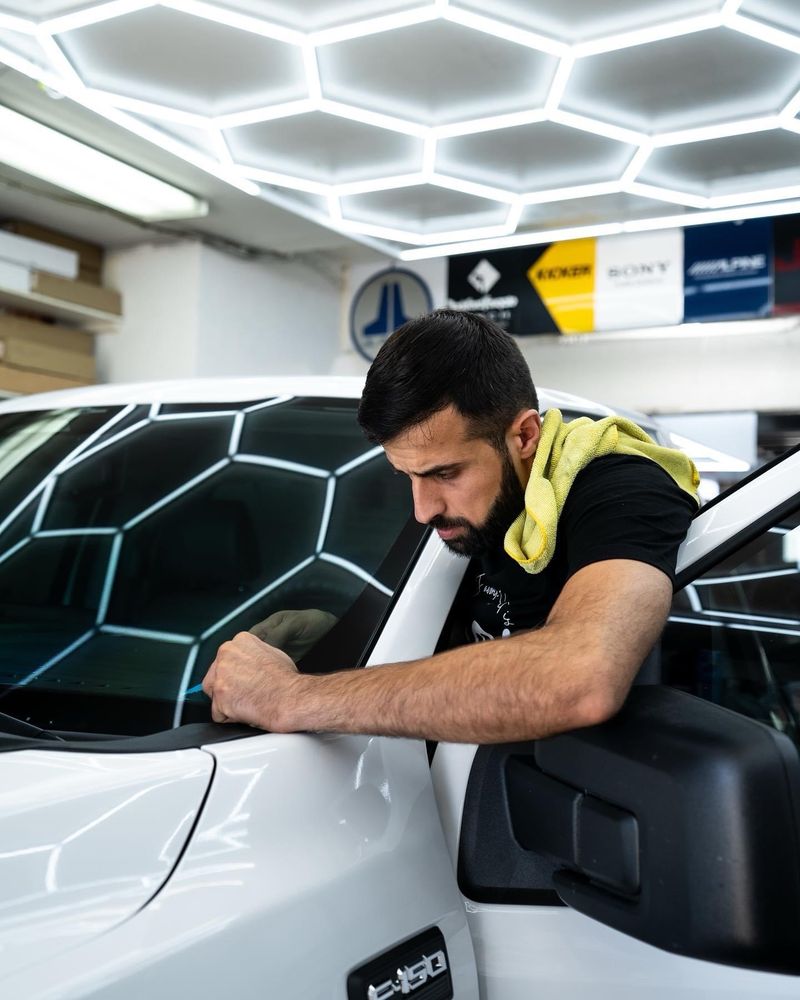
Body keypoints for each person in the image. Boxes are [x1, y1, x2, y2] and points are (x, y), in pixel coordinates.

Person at [202, 310, 698, 743]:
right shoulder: (478, 511)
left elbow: (579, 678)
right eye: (407, 477)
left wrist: (292, 697)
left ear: (524, 435)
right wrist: (343, 642)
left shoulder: (620, 488)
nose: (423, 509)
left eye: (445, 473)